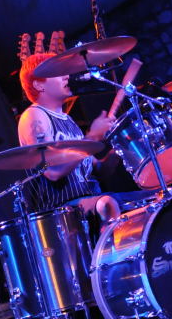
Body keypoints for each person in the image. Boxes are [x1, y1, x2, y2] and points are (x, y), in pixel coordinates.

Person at [17, 53, 118, 218]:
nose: (66, 76)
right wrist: (92, 137)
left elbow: (97, 170)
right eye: (58, 72)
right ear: (39, 85)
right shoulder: (34, 116)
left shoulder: (68, 120)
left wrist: (120, 148)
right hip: (60, 212)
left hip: (91, 199)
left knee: (151, 198)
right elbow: (53, 172)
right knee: (107, 203)